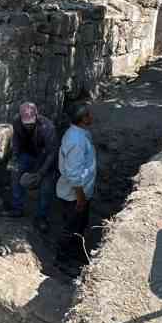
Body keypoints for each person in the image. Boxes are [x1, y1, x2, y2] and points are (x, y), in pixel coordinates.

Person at [54, 104, 97, 270]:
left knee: (80, 225)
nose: (91, 116)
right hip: (74, 196)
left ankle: (76, 252)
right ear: (83, 119)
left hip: (81, 193)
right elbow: (73, 173)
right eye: (89, 114)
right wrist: (80, 197)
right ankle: (62, 260)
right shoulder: (76, 141)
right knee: (70, 227)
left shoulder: (80, 134)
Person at [3, 102, 58, 228]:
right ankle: (17, 208)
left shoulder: (47, 127)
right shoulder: (17, 122)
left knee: (45, 188)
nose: (28, 126)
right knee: (15, 174)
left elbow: (52, 153)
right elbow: (16, 140)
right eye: (25, 124)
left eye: (31, 124)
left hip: (45, 157)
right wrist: (15, 157)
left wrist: (41, 173)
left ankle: (41, 217)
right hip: (28, 154)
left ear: (37, 116)